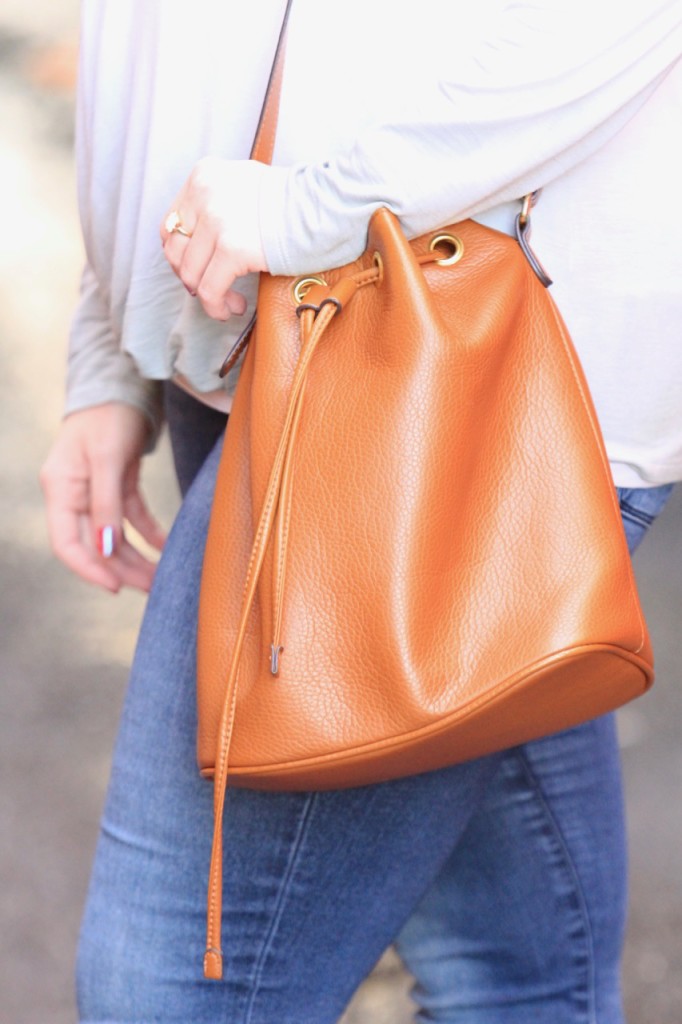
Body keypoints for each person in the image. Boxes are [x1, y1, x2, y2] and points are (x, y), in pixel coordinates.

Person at [40, 2, 682, 1021]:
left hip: (462, 364)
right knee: (510, 967)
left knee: (172, 990)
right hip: (253, 316)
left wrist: (310, 211)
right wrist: (112, 343)